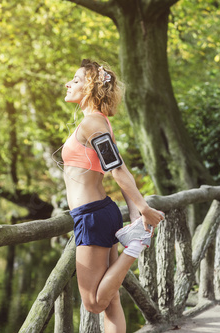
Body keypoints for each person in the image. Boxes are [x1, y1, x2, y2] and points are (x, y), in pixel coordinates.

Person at [60, 59, 164, 333]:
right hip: (101, 212)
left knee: (94, 303)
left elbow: (116, 168)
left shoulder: (93, 124)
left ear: (90, 88)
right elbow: (123, 166)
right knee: (111, 300)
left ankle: (135, 246)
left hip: (92, 216)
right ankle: (135, 242)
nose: (68, 84)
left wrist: (143, 208)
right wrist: (133, 211)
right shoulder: (98, 122)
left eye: (76, 80)